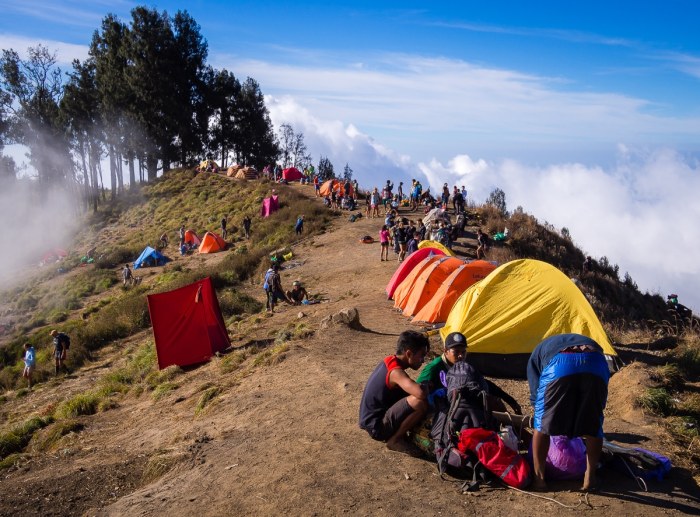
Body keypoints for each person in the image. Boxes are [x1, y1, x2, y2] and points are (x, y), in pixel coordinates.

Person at [527, 333, 610, 492]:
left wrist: (544, 416)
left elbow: (536, 394)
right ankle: (590, 479)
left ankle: (539, 480)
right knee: (594, 422)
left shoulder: (537, 354)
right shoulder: (571, 342)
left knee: (541, 424)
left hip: (561, 363)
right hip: (596, 361)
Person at [359, 330, 429, 451]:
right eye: (421, 355)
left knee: (411, 395)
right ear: (409, 354)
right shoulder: (396, 372)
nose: (422, 360)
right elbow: (420, 393)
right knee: (419, 402)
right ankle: (395, 440)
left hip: (371, 421)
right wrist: (427, 385)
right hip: (377, 427)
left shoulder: (389, 360)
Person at [418, 332, 521, 413]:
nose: (461, 356)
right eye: (456, 352)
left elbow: (483, 383)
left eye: (463, 352)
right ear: (446, 351)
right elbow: (417, 390)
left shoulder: (463, 367)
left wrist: (511, 401)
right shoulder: (434, 368)